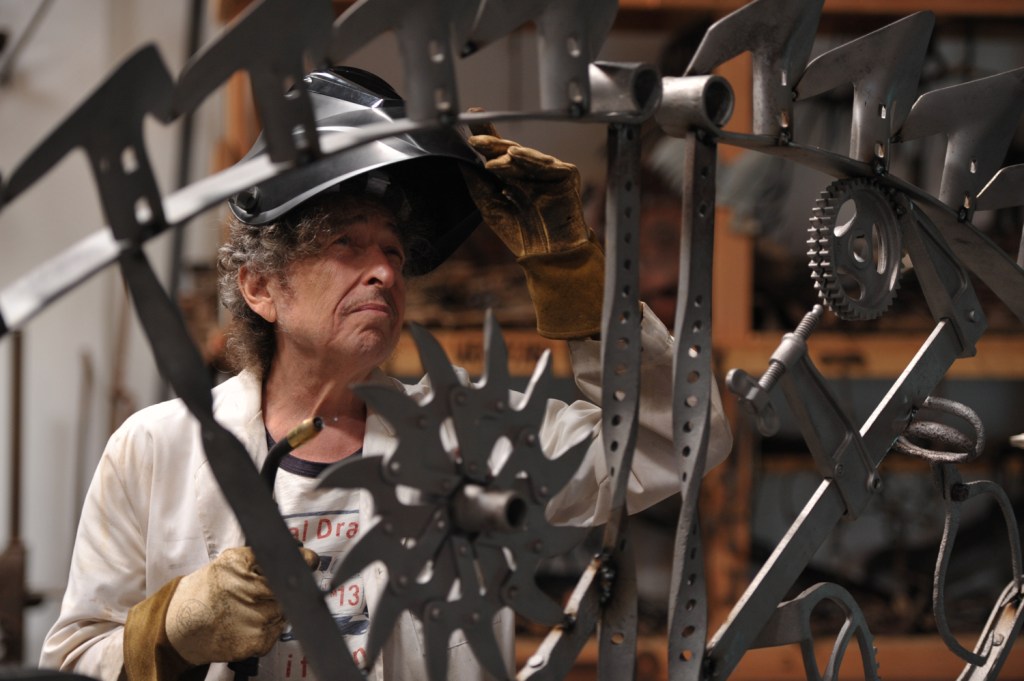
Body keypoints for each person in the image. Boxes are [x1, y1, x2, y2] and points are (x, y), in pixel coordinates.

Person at [39, 66, 731, 681]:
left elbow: (677, 440)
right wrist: (170, 629)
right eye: (346, 243)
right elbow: (71, 661)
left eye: (395, 252)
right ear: (261, 287)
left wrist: (574, 276)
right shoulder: (153, 449)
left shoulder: (472, 436)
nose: (384, 271)